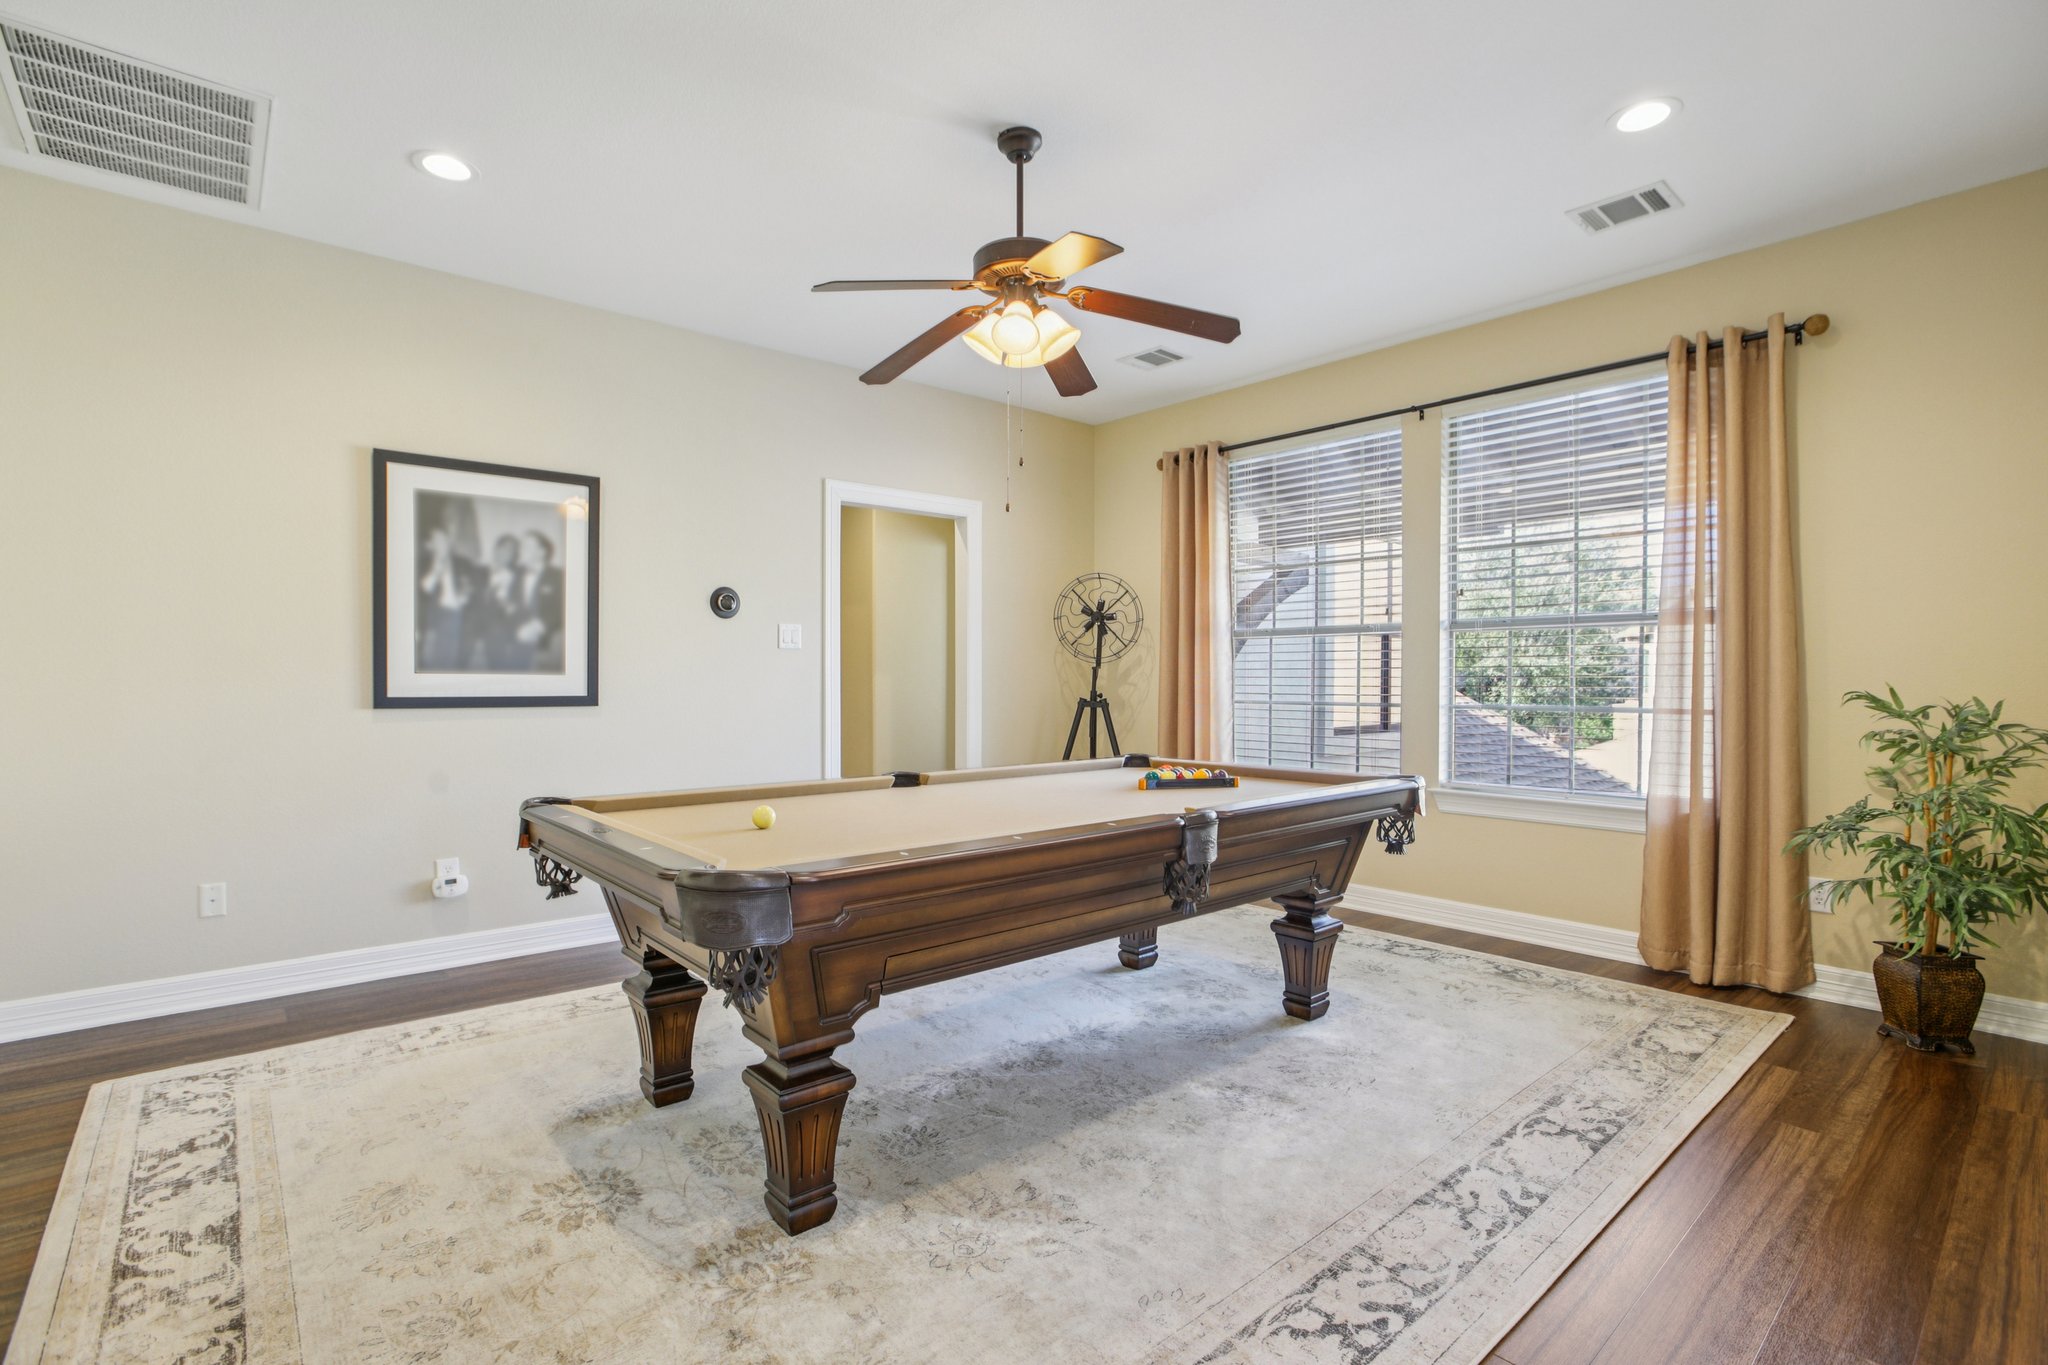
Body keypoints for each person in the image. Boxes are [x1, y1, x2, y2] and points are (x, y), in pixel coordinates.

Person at [415, 516, 477, 671]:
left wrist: (465, 597)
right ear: (429, 545)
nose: (444, 543)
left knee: (463, 623)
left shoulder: (464, 563)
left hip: (460, 611)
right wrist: (436, 571)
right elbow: (423, 591)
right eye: (438, 540)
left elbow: (472, 587)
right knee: (447, 626)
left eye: (445, 539)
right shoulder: (421, 564)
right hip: (435, 613)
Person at [511, 530, 566, 672]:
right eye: (521, 546)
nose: (521, 550)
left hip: (545, 634)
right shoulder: (515, 575)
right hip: (517, 633)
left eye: (527, 546)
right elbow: (510, 607)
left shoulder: (559, 577)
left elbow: (563, 609)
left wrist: (540, 626)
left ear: (541, 552)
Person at [480, 534, 523, 669]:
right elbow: (475, 599)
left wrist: (507, 603)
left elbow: (521, 603)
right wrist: (490, 589)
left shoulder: (518, 575)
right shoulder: (479, 571)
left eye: (511, 551)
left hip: (504, 620)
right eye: (503, 548)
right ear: (495, 550)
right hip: (480, 616)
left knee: (497, 629)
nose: (506, 554)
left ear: (514, 556)